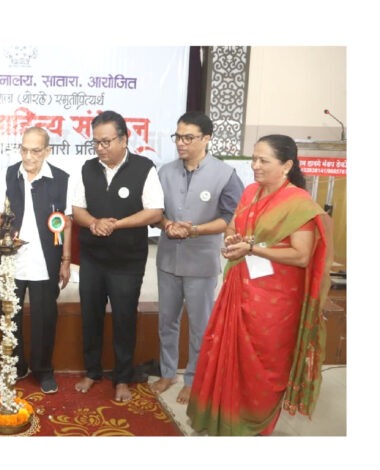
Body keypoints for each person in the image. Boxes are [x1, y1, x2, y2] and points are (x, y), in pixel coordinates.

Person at [186, 134, 333, 436]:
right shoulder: (251, 191)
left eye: (263, 160)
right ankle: (223, 419)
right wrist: (232, 239)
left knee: (264, 364)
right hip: (239, 288)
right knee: (228, 354)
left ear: (287, 165)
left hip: (275, 302)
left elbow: (301, 255)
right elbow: (233, 225)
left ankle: (255, 423)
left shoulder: (298, 203)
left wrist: (252, 248)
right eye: (253, 158)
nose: (254, 165)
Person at [149, 111, 244, 405]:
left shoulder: (225, 175)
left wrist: (195, 230)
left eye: (188, 137)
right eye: (178, 137)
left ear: (206, 139)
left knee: (200, 326)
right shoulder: (164, 172)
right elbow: (154, 211)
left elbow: (231, 218)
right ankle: (168, 373)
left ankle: (194, 379)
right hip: (168, 260)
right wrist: (167, 224)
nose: (181, 143)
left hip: (201, 262)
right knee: (167, 321)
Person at [71, 110, 164, 402]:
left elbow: (155, 211)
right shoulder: (87, 168)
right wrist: (94, 223)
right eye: (96, 142)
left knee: (125, 319)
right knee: (91, 317)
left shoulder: (144, 168)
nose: (100, 148)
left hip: (127, 261)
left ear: (124, 139)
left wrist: (116, 224)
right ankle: (92, 371)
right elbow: (77, 210)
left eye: (106, 142)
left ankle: (122, 378)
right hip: (92, 259)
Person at [0, 127, 72, 394]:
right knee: (9, 316)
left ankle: (43, 370)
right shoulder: (8, 175)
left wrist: (66, 260)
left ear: (47, 151)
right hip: (11, 261)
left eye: (35, 151)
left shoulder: (61, 179)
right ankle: (17, 365)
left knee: (45, 318)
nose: (28, 156)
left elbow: (66, 223)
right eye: (24, 149)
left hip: (45, 262)